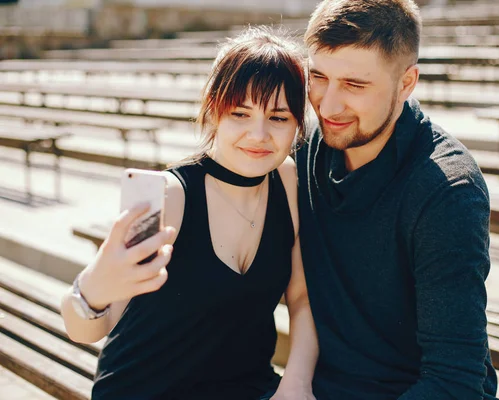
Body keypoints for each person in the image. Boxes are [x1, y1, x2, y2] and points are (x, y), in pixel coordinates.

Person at [60, 27, 318, 400]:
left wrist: (295, 383)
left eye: (278, 118)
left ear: (297, 124)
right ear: (214, 110)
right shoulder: (171, 197)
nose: (259, 134)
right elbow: (87, 330)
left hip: (247, 388)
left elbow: (302, 298)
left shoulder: (288, 179)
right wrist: (93, 288)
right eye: (240, 114)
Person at [296, 0, 499, 399]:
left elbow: (454, 380)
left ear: (407, 83)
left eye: (355, 85)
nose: (328, 104)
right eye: (319, 77)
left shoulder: (447, 191)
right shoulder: (304, 149)